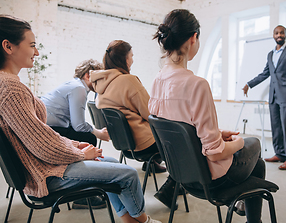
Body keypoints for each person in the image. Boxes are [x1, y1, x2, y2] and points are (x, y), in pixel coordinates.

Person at [0, 14, 161, 223]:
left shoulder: (9, 85)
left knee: (110, 160)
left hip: (45, 165)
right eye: (31, 45)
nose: (37, 52)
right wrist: (80, 154)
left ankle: (131, 220)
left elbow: (42, 135)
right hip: (46, 173)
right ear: (8, 46)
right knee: (128, 174)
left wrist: (77, 146)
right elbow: (42, 145)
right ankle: (143, 221)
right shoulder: (11, 89)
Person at [149, 9, 269, 223]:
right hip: (211, 179)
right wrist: (239, 143)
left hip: (181, 175)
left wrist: (217, 133)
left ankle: (251, 216)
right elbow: (215, 154)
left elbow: (180, 129)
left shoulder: (157, 81)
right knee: (254, 144)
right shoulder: (197, 85)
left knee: (258, 165)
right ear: (194, 37)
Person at [90, 40, 181, 209]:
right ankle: (172, 187)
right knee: (182, 142)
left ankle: (179, 183)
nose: (132, 60)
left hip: (126, 145)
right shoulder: (127, 80)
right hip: (144, 143)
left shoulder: (101, 86)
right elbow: (150, 113)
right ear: (124, 59)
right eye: (131, 56)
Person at [242, 25, 286, 170]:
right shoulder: (271, 54)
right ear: (273, 35)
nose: (279, 35)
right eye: (276, 33)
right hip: (273, 96)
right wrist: (249, 84)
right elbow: (265, 73)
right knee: (276, 126)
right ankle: (280, 154)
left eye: (282, 32)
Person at [41, 59, 109, 148]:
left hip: (48, 126)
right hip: (48, 129)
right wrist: (99, 133)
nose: (102, 83)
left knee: (86, 135)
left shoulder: (74, 84)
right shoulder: (79, 89)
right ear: (88, 76)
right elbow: (79, 125)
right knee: (89, 138)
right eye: (100, 78)